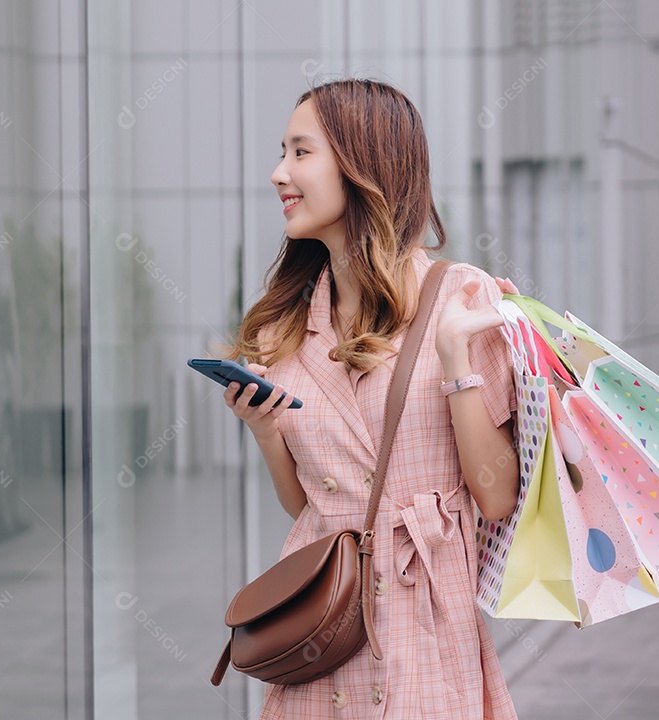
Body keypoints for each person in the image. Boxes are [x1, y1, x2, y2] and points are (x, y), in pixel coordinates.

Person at [223, 79, 521, 719]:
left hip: (424, 636)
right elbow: (309, 506)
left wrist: (455, 362)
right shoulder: (287, 329)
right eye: (283, 152)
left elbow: (495, 496)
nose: (279, 173)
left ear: (363, 166)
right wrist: (266, 432)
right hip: (326, 633)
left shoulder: (460, 299)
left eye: (301, 152)